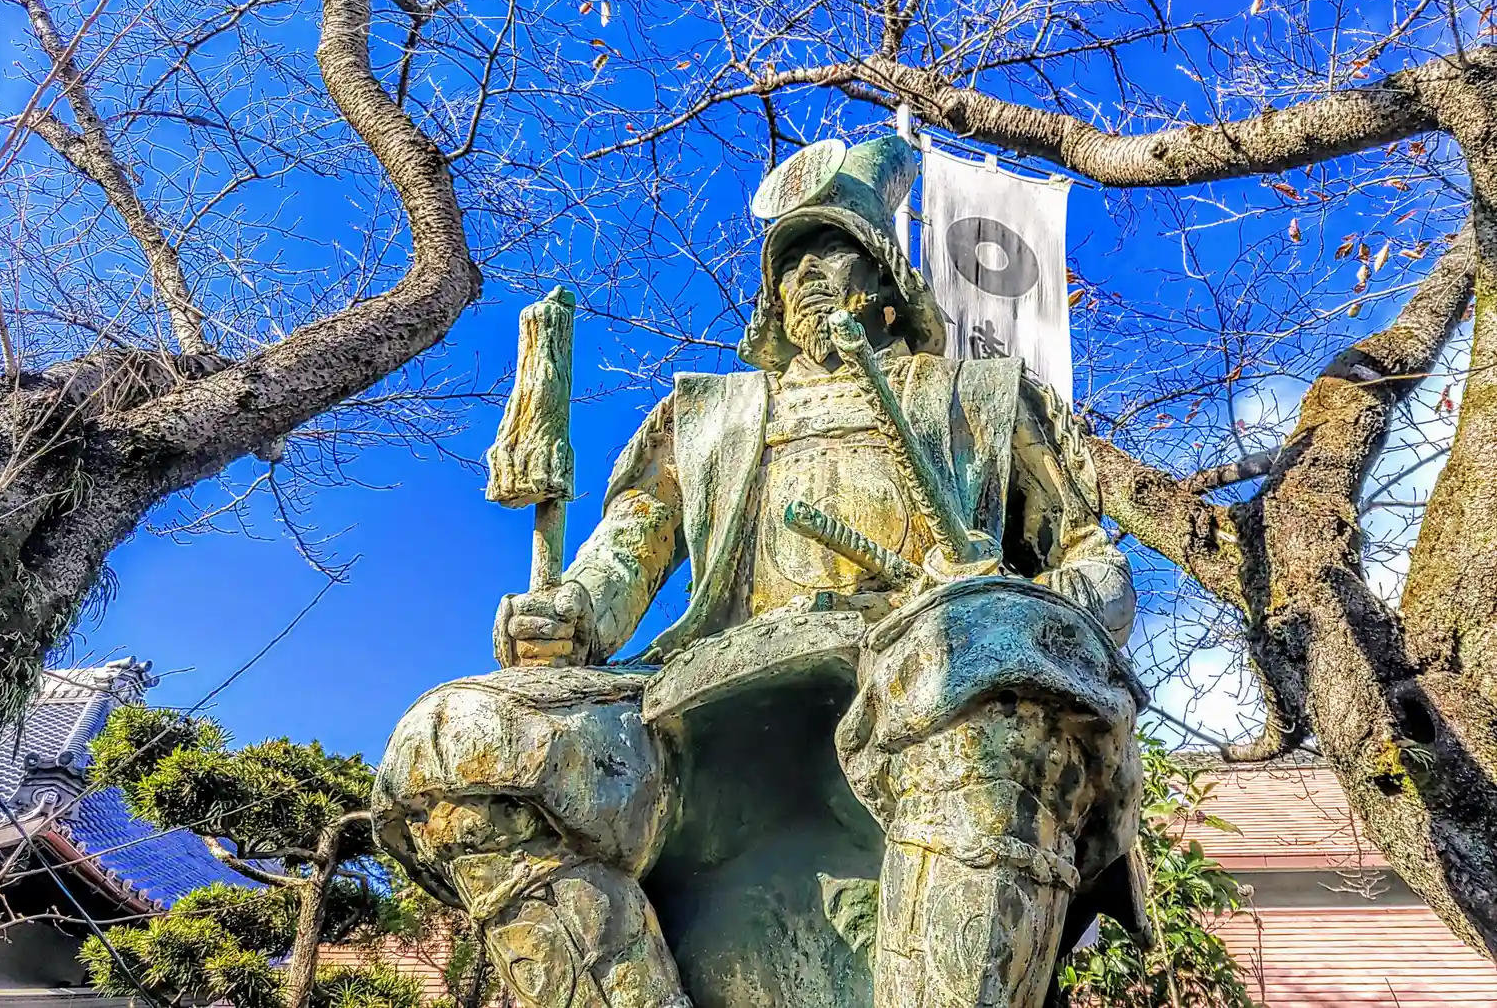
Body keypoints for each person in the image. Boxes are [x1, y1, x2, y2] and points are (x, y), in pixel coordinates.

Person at [372, 137, 1145, 1008]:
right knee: (454, 742)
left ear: (888, 279)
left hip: (917, 684)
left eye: (833, 249)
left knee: (989, 684)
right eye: (790, 259)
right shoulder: (710, 415)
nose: (807, 273)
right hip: (715, 708)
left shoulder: (977, 397)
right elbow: (630, 544)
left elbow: (1096, 566)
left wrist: (1009, 600)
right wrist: (573, 611)